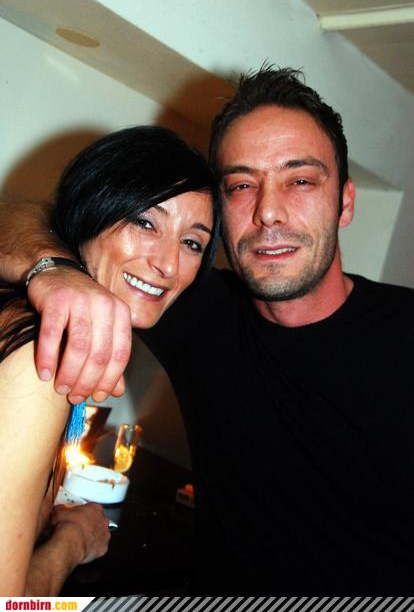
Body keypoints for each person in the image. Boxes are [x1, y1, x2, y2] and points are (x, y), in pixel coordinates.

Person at [1, 66, 413, 594]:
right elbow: (31, 217)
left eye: (300, 180)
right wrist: (53, 270)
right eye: (242, 185)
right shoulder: (189, 300)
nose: (268, 212)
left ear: (346, 202)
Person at [0, 125, 219, 595]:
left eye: (192, 243)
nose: (168, 264)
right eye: (145, 222)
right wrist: (73, 542)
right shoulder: (38, 358)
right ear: (91, 209)